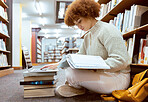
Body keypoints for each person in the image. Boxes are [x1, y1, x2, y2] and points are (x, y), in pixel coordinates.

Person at [41, 0, 131, 97]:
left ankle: (80, 88)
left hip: (118, 77)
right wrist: (59, 64)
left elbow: (121, 60)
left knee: (73, 75)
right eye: (76, 24)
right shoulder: (88, 36)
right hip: (102, 75)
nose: (79, 27)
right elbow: (79, 57)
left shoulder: (108, 30)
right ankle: (83, 87)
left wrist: (95, 67)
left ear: (88, 14)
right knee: (69, 69)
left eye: (80, 21)